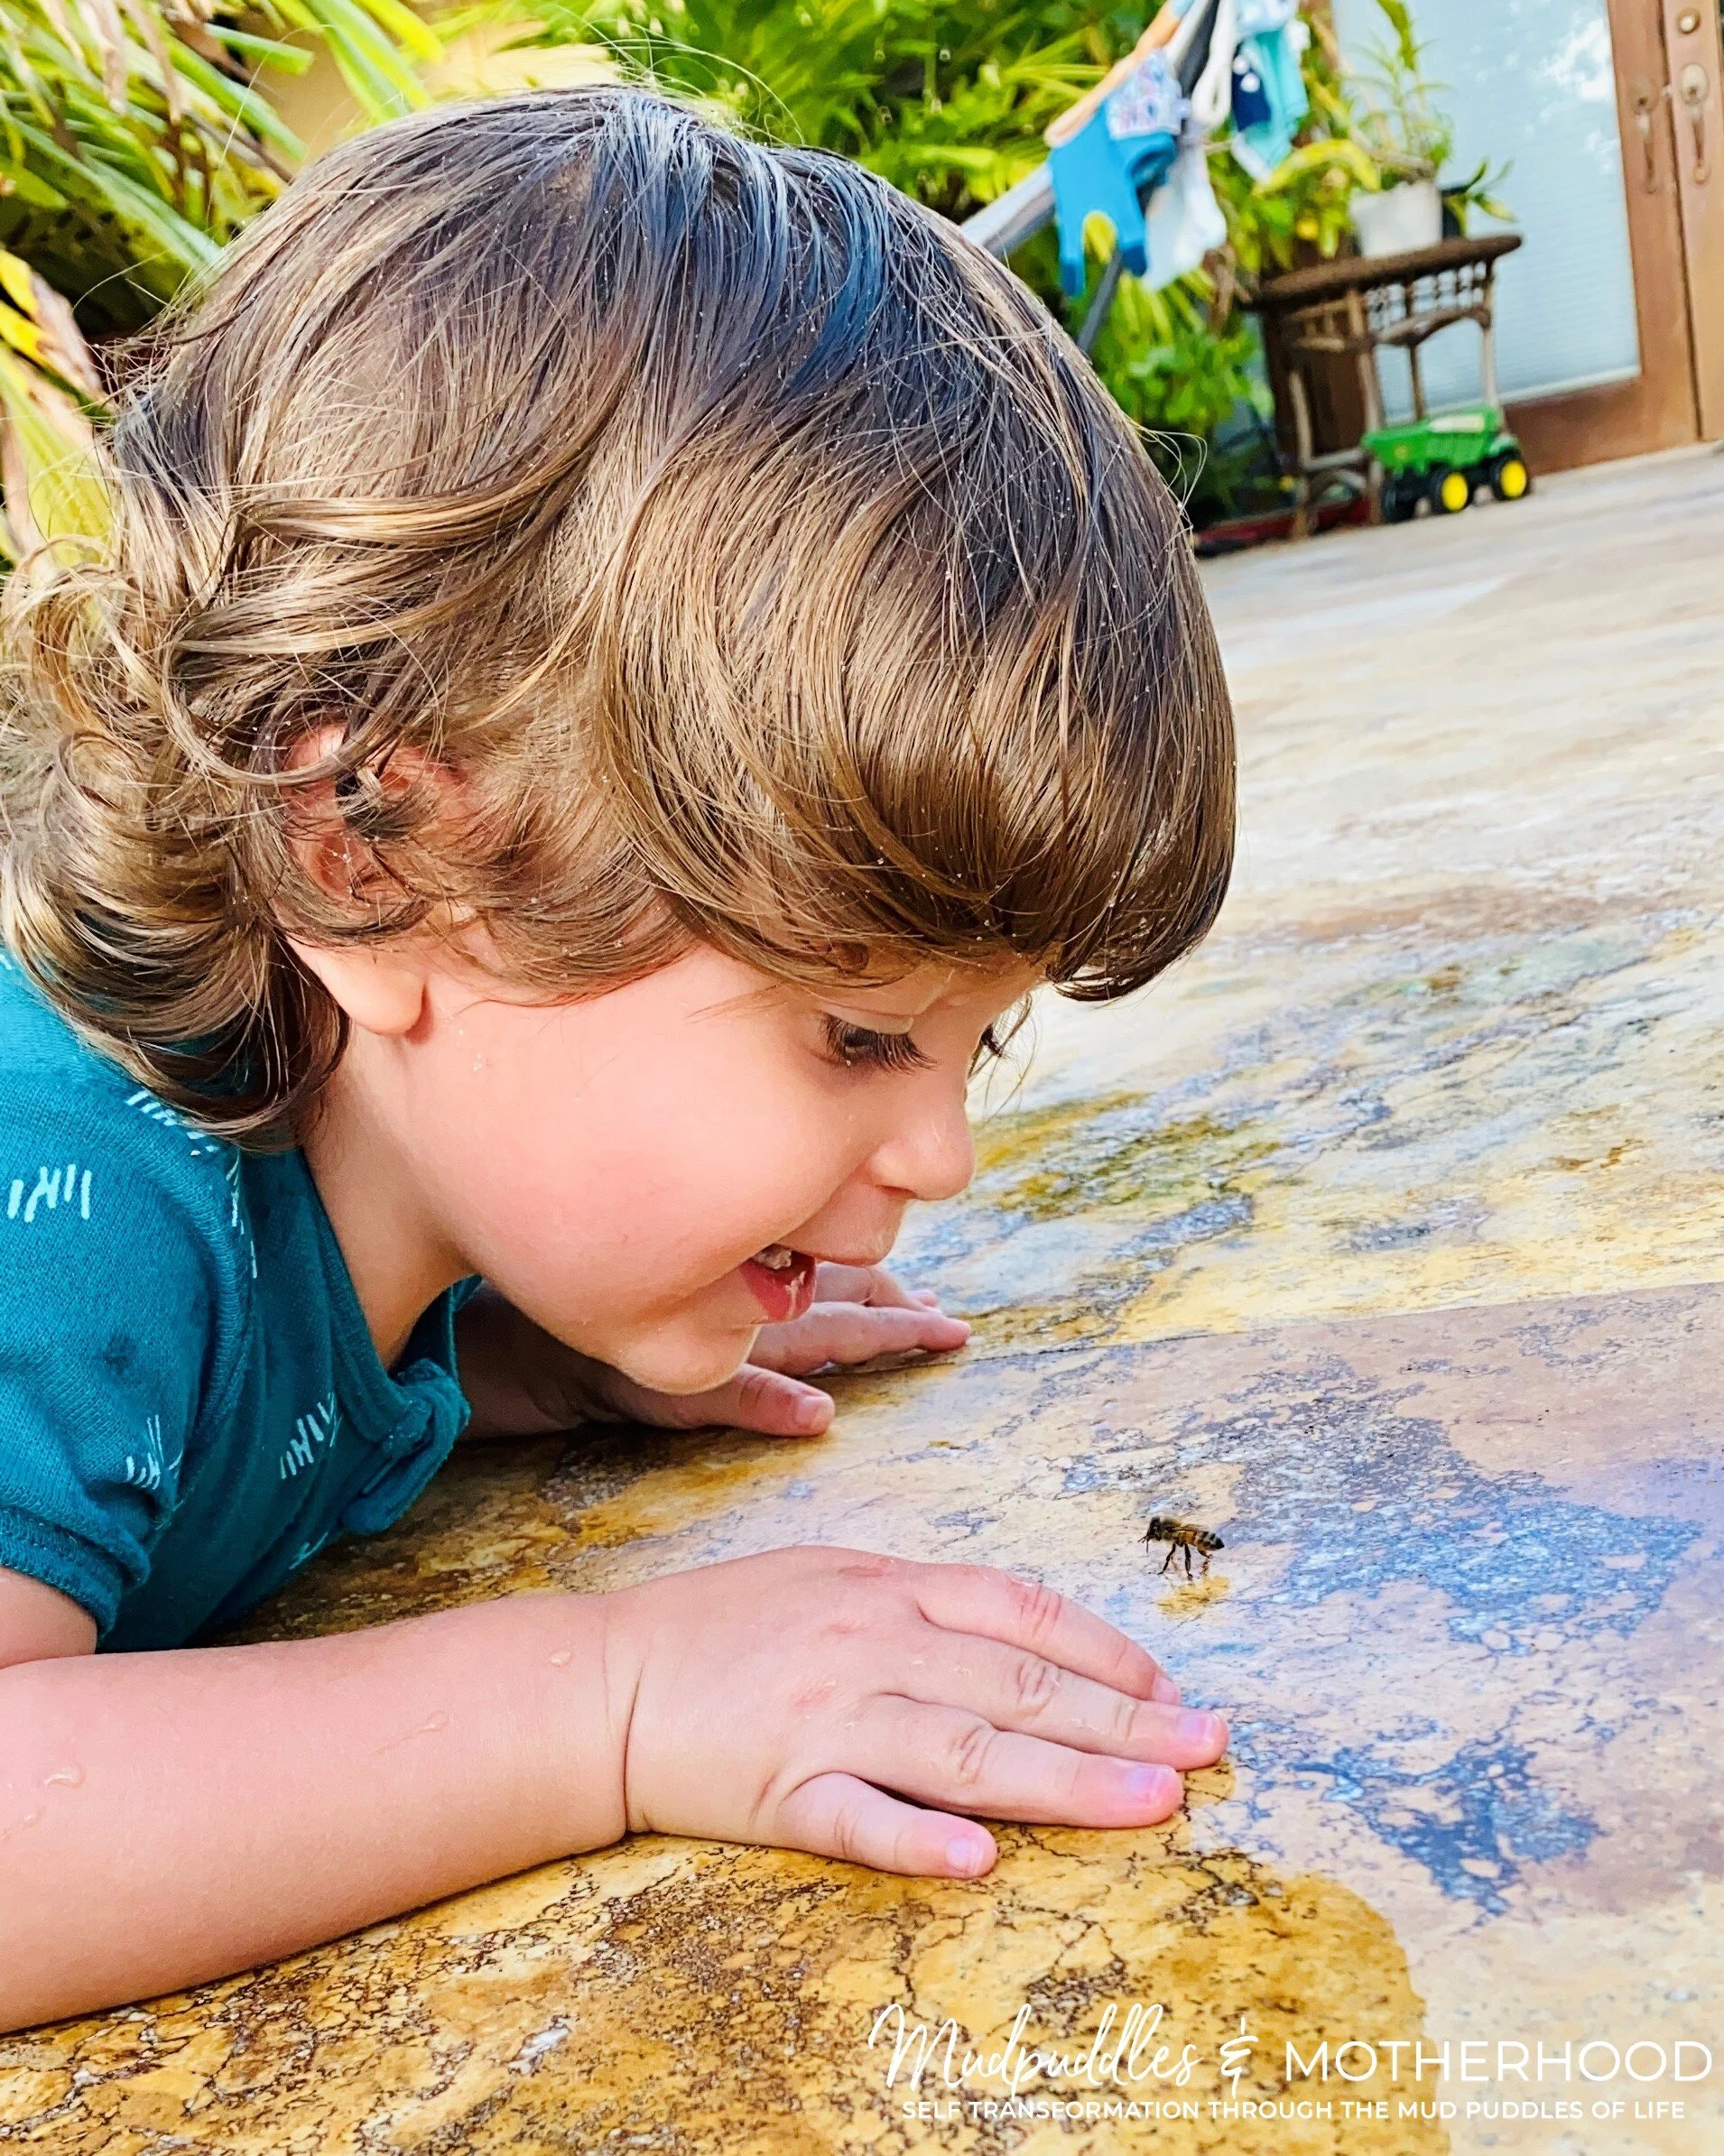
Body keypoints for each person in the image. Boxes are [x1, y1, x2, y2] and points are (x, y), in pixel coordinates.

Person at [0, 87, 1236, 2030]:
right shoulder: (64, 1202)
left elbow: (262, 1362)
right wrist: (609, 1698)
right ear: (370, 856)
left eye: (965, 1035)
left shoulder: (384, 1186)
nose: (942, 1153)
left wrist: (491, 1361)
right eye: (856, 1033)